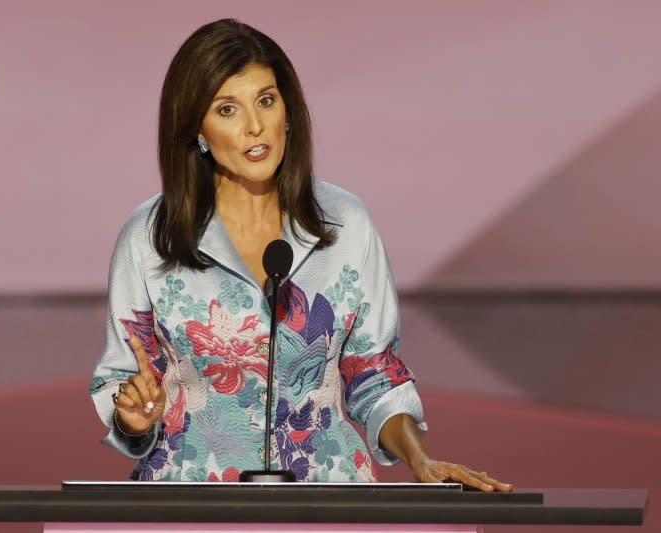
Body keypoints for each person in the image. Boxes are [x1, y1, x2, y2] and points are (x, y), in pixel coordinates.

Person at [90, 18, 511, 489]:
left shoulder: (345, 223)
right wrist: (132, 417)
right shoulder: (151, 235)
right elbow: (123, 382)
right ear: (197, 131)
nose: (254, 126)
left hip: (326, 493)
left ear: (287, 112)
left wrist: (420, 459)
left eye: (266, 101)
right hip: (190, 495)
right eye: (227, 109)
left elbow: (372, 373)